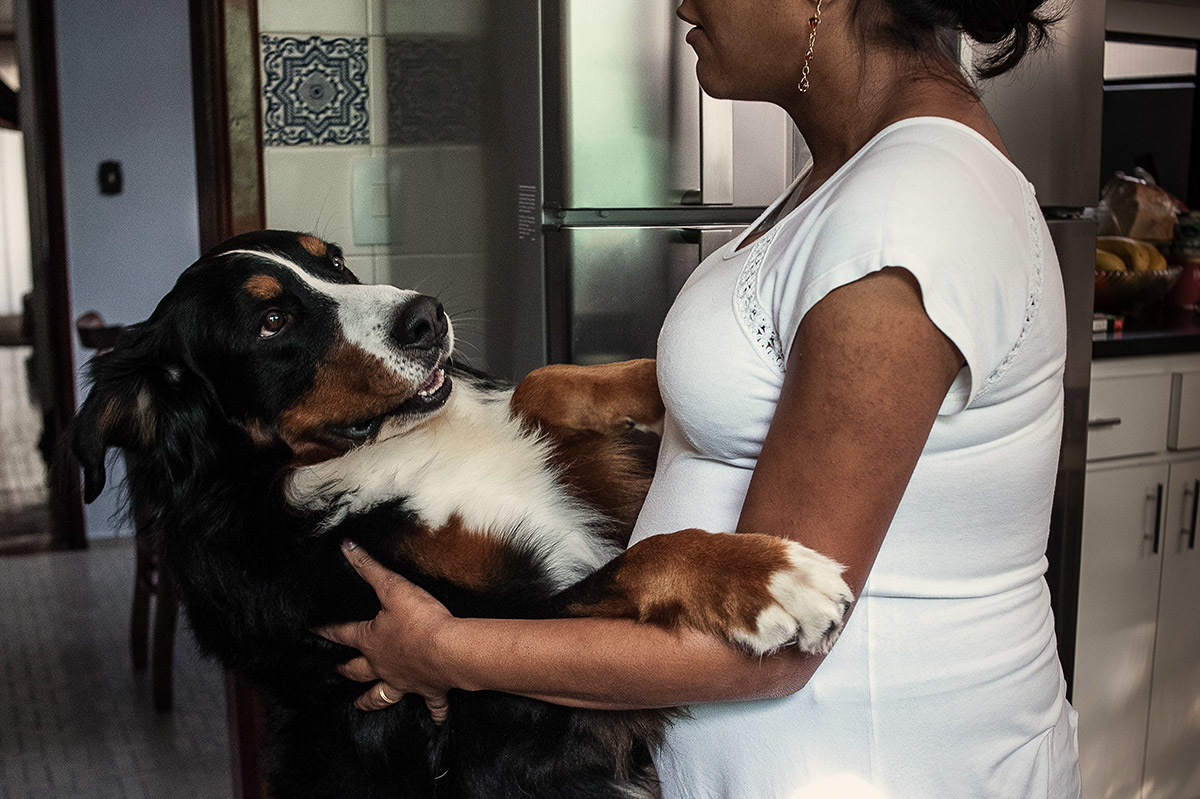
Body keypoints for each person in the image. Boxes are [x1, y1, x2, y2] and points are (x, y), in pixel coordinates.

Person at [317, 0, 1083, 795]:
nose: (681, 3)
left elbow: (768, 645)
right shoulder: (856, 173)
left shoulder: (907, 212)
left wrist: (443, 651)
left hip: (872, 765)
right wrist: (592, 393)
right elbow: (776, 373)